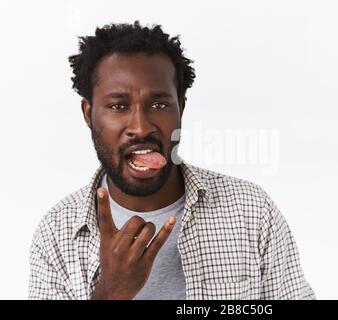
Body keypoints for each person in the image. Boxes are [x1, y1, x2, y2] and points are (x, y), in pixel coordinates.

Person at [28, 21, 315, 300]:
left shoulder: (251, 211)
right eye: (118, 106)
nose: (140, 127)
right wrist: (110, 294)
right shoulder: (57, 233)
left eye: (159, 104)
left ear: (182, 107)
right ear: (88, 114)